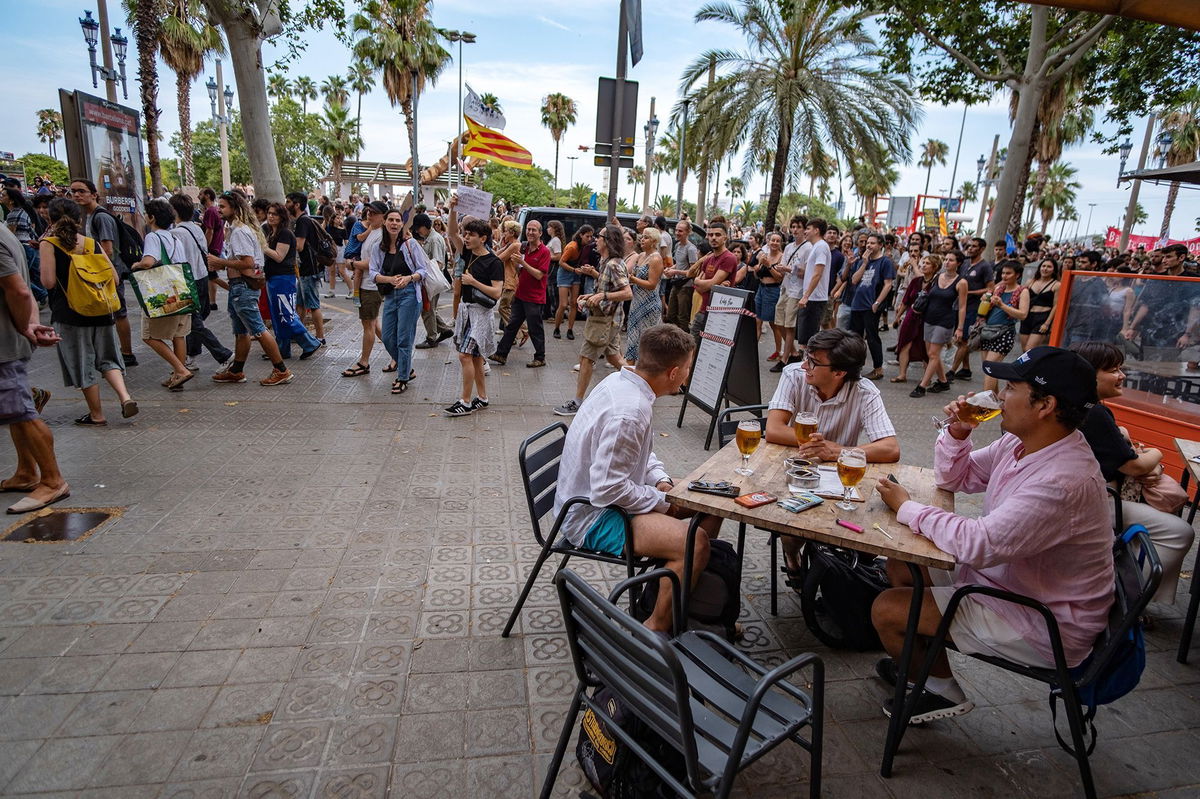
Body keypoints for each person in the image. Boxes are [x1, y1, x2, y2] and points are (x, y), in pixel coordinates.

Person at [872, 347, 1113, 724]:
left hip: (1043, 621)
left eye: (1012, 387)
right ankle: (920, 664)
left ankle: (938, 690)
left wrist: (907, 507)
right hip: (1008, 583)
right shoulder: (1023, 442)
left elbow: (979, 544)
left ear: (1045, 404)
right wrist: (957, 432)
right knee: (902, 562)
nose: (1000, 395)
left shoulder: (1062, 480)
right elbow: (956, 478)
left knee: (887, 610)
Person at [553, 323, 722, 633]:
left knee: (708, 502)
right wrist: (664, 504)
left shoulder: (623, 382)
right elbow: (607, 490)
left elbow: (638, 456)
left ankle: (688, 598)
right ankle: (656, 626)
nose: (688, 374)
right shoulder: (630, 411)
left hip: (597, 501)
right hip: (591, 517)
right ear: (673, 373)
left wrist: (661, 481)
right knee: (696, 542)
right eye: (687, 368)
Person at [764, 328, 900, 570]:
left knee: (867, 521)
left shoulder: (865, 392)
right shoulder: (794, 375)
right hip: (797, 468)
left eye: (814, 362)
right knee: (793, 521)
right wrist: (815, 445)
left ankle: (837, 572)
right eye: (806, 357)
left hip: (840, 478)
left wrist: (837, 451)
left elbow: (890, 448)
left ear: (839, 372)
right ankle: (793, 559)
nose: (805, 365)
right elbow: (773, 429)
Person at [1071, 341, 1195, 606]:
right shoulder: (1095, 412)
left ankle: (1138, 599)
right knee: (1180, 531)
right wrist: (1158, 454)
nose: (1122, 375)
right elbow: (1135, 466)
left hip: (1090, 496)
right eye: (1114, 369)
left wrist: (1125, 439)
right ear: (1090, 374)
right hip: (1096, 502)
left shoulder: (1079, 406)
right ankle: (1126, 601)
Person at [38, 198, 138, 424]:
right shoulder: (91, 244)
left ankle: (97, 414)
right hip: (101, 310)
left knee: (83, 363)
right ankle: (125, 397)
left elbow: (48, 282)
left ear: (50, 219)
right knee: (108, 358)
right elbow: (113, 276)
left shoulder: (49, 244)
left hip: (70, 313)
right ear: (79, 219)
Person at [0, 223, 68, 513]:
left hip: (4, 342)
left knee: (22, 413)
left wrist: (24, 327)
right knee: (15, 411)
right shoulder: (4, 231)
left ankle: (53, 481)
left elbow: (20, 291)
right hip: (9, 337)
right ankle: (27, 472)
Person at [207, 191, 294, 386]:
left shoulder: (240, 232)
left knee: (258, 330)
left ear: (234, 209)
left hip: (243, 288)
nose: (218, 210)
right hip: (239, 286)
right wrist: (225, 264)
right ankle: (237, 370)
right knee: (241, 331)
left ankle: (281, 370)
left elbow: (247, 263)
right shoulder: (240, 230)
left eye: (222, 206)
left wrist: (219, 261)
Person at [555, 224, 633, 417]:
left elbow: (627, 292)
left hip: (605, 321)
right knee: (615, 358)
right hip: (608, 319)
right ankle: (642, 385)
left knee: (586, 359)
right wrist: (593, 288)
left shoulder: (614, 264)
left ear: (608, 241)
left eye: (599, 236)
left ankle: (577, 402)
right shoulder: (607, 262)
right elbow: (609, 286)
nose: (595, 239)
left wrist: (601, 296)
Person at [444, 193, 503, 416]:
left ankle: (465, 401)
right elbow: (451, 233)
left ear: (484, 238)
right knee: (477, 358)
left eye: (471, 235)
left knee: (464, 356)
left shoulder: (494, 262)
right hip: (466, 312)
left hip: (480, 314)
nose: (466, 238)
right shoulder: (467, 253)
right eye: (466, 234)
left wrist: (473, 282)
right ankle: (483, 398)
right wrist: (452, 209)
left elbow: (497, 292)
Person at [69, 179, 135, 366]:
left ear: (94, 194)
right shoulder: (90, 216)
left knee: (118, 313)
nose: (77, 195)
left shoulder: (101, 217)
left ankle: (127, 353)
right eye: (73, 191)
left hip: (109, 273)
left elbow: (108, 249)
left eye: (81, 191)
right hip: (103, 272)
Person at [131, 199, 194, 391]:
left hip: (163, 293)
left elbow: (149, 262)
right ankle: (177, 375)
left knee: (149, 336)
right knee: (178, 334)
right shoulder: (175, 237)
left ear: (151, 217)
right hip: (181, 290)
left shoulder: (153, 237)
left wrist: (136, 265)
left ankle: (180, 370)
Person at [170, 194, 232, 370]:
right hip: (202, 277)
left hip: (188, 281)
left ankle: (223, 354)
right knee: (194, 321)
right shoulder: (197, 229)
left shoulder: (176, 233)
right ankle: (192, 354)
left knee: (193, 321)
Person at [262, 203, 323, 361]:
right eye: (269, 213)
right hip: (273, 278)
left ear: (282, 216)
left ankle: (310, 343)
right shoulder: (272, 233)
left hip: (283, 279)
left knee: (286, 315)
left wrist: (262, 247)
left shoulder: (285, 234)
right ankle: (282, 349)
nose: (271, 216)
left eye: (275, 214)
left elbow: (278, 256)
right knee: (278, 316)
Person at [375, 210, 427, 395]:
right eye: (391, 220)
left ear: (402, 224)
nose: (394, 223)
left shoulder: (410, 244)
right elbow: (373, 273)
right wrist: (388, 280)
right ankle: (407, 368)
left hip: (410, 295)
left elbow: (424, 270)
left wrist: (409, 278)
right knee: (388, 337)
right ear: (385, 222)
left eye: (398, 220)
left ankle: (402, 377)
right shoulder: (379, 247)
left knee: (404, 339)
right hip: (390, 295)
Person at [491, 218, 550, 369]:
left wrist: (523, 263)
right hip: (520, 294)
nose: (530, 232)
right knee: (511, 325)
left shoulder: (544, 251)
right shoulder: (523, 247)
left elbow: (539, 275)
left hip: (534, 297)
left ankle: (540, 357)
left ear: (540, 233)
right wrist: (518, 266)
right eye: (528, 229)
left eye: (534, 230)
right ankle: (501, 354)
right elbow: (517, 268)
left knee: (535, 328)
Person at [911, 251, 967, 398]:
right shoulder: (937, 277)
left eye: (951, 260)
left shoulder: (961, 282)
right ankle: (943, 381)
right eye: (946, 259)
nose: (947, 262)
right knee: (932, 355)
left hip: (945, 321)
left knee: (933, 354)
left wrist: (960, 328)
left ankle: (922, 386)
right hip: (929, 318)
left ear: (958, 263)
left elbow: (962, 307)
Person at [341, 201, 387, 377]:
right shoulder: (371, 232)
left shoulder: (380, 236)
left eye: (374, 212)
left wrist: (353, 264)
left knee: (368, 324)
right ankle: (397, 355)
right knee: (373, 324)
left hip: (371, 285)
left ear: (383, 217)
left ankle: (364, 362)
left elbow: (374, 263)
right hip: (365, 284)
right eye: (369, 211)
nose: (370, 214)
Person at [847, 232, 895, 380]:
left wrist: (877, 303)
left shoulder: (885, 262)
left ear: (880, 245)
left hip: (871, 305)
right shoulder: (863, 260)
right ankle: (855, 367)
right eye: (868, 243)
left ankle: (878, 368)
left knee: (872, 337)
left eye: (873, 243)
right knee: (855, 337)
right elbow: (854, 280)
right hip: (857, 304)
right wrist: (865, 263)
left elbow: (888, 285)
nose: (869, 245)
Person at [978, 260, 1030, 393]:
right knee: (989, 369)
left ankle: (984, 404)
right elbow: (987, 310)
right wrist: (985, 301)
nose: (1004, 276)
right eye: (1003, 273)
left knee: (990, 368)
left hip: (1004, 332)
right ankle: (996, 402)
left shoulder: (1022, 291)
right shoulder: (998, 289)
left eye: (1008, 273)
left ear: (1017, 275)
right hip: (988, 330)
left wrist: (1002, 305)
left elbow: (1023, 315)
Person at [947, 237, 995, 381]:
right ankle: (966, 369)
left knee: (964, 340)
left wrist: (969, 293)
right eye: (969, 245)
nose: (970, 248)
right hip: (957, 305)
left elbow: (990, 288)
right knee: (960, 340)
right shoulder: (965, 263)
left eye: (974, 246)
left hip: (973, 308)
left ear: (981, 249)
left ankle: (952, 371)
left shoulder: (985, 267)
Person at [285, 192, 327, 347]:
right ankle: (299, 334)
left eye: (288, 201)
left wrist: (285, 242)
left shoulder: (302, 221)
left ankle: (320, 337)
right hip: (306, 269)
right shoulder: (303, 220)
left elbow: (300, 245)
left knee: (313, 305)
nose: (286, 204)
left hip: (309, 269)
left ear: (296, 205)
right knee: (301, 304)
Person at [411, 212, 454, 349]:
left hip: (432, 280)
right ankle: (445, 330)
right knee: (431, 309)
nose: (417, 231)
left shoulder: (434, 239)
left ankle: (431, 338)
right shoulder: (431, 237)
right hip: (431, 279)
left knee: (427, 309)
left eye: (418, 228)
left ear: (424, 226)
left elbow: (439, 263)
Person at [772, 215, 810, 372]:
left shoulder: (808, 248)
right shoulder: (788, 247)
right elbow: (783, 265)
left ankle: (785, 358)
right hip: (785, 287)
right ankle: (794, 352)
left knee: (789, 326)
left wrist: (788, 269)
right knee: (778, 322)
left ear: (804, 229)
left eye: (798, 227)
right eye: (793, 227)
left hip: (797, 291)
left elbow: (806, 272)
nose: (795, 230)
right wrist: (781, 267)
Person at [891, 254, 936, 383]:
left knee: (925, 349)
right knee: (904, 344)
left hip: (927, 318)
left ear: (934, 267)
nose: (924, 265)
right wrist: (898, 317)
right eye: (923, 263)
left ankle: (927, 378)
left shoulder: (936, 283)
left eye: (927, 263)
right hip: (911, 316)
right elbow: (905, 300)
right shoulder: (916, 281)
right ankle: (902, 374)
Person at [624, 226, 665, 365]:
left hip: (649, 305)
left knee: (646, 341)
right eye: (642, 236)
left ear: (654, 241)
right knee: (632, 339)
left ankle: (645, 372)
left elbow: (652, 284)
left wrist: (633, 279)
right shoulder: (640, 256)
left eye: (646, 237)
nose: (642, 239)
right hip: (636, 303)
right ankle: (629, 371)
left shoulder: (656, 259)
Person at [796, 218, 831, 351]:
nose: (805, 232)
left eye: (808, 229)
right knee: (804, 339)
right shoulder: (816, 246)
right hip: (811, 298)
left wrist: (806, 296)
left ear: (816, 230)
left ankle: (808, 368)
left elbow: (818, 273)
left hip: (814, 299)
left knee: (808, 340)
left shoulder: (821, 246)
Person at [552, 225, 592, 340]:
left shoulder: (584, 246)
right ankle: (557, 328)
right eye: (587, 236)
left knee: (574, 303)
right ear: (581, 235)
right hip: (565, 273)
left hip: (576, 273)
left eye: (591, 236)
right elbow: (561, 262)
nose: (589, 239)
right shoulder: (572, 246)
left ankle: (570, 329)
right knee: (563, 304)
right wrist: (574, 270)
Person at [663, 221, 699, 332]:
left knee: (683, 316)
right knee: (670, 314)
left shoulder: (691, 249)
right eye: (677, 230)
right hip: (676, 283)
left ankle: (684, 341)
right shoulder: (678, 245)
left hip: (686, 286)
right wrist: (671, 269)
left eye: (680, 231)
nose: (677, 233)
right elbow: (679, 263)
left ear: (688, 232)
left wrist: (675, 271)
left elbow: (693, 271)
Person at [1020, 256, 1060, 351]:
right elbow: (1020, 297)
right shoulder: (1030, 282)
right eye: (1043, 266)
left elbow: (1056, 305)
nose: (1045, 269)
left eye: (1049, 267)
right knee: (1024, 350)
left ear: (1054, 270)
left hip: (1042, 318)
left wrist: (1047, 323)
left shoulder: (1057, 285)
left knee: (1029, 350)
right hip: (1027, 317)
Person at [755, 233, 785, 356]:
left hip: (773, 291)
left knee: (774, 323)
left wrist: (769, 266)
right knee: (757, 320)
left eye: (777, 241)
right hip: (761, 289)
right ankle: (753, 349)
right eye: (773, 240)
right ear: (768, 242)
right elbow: (758, 275)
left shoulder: (782, 257)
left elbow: (779, 278)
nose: (774, 243)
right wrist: (757, 270)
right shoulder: (764, 256)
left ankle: (778, 351)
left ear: (780, 243)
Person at [199, 187, 224, 311]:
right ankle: (212, 301)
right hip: (217, 246)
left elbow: (210, 231)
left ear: (207, 195)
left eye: (201, 194)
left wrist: (205, 247)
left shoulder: (210, 211)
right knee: (211, 276)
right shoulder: (216, 211)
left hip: (211, 247)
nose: (199, 196)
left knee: (212, 275)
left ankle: (232, 290)